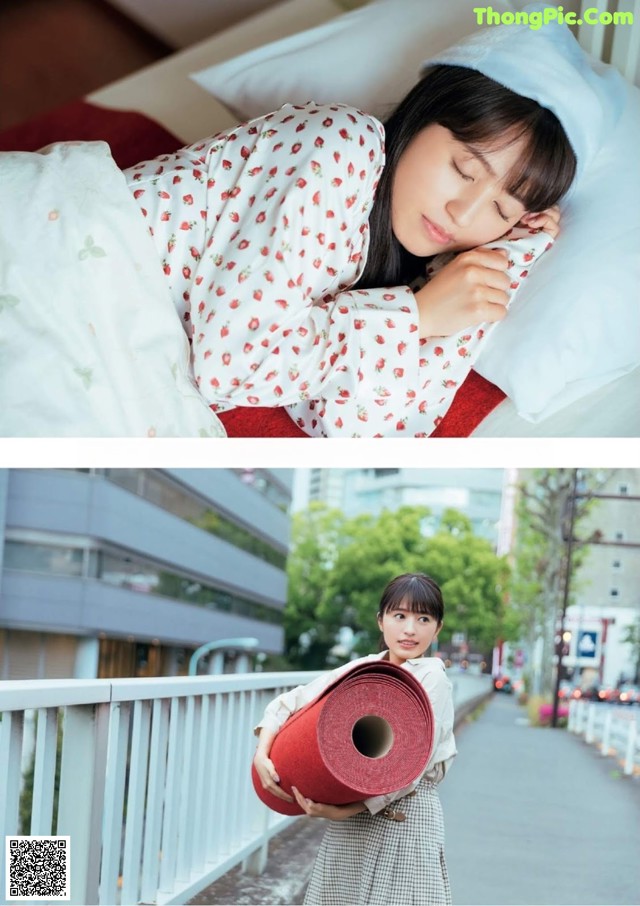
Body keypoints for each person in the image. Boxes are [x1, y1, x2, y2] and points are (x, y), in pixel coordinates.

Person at [123, 21, 596, 437]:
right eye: (463, 169)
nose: (463, 214)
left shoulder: (409, 266)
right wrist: (418, 317)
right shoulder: (342, 145)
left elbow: (352, 423)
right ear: (423, 112)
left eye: (501, 209)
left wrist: (513, 254)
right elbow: (234, 365)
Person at [252, 573, 457, 906]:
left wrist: (345, 811)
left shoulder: (432, 676)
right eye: (399, 616)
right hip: (352, 805)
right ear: (381, 620)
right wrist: (263, 753)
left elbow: (411, 766)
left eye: (423, 619)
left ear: (437, 628)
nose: (410, 629)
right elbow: (293, 702)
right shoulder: (365, 668)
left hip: (405, 816)